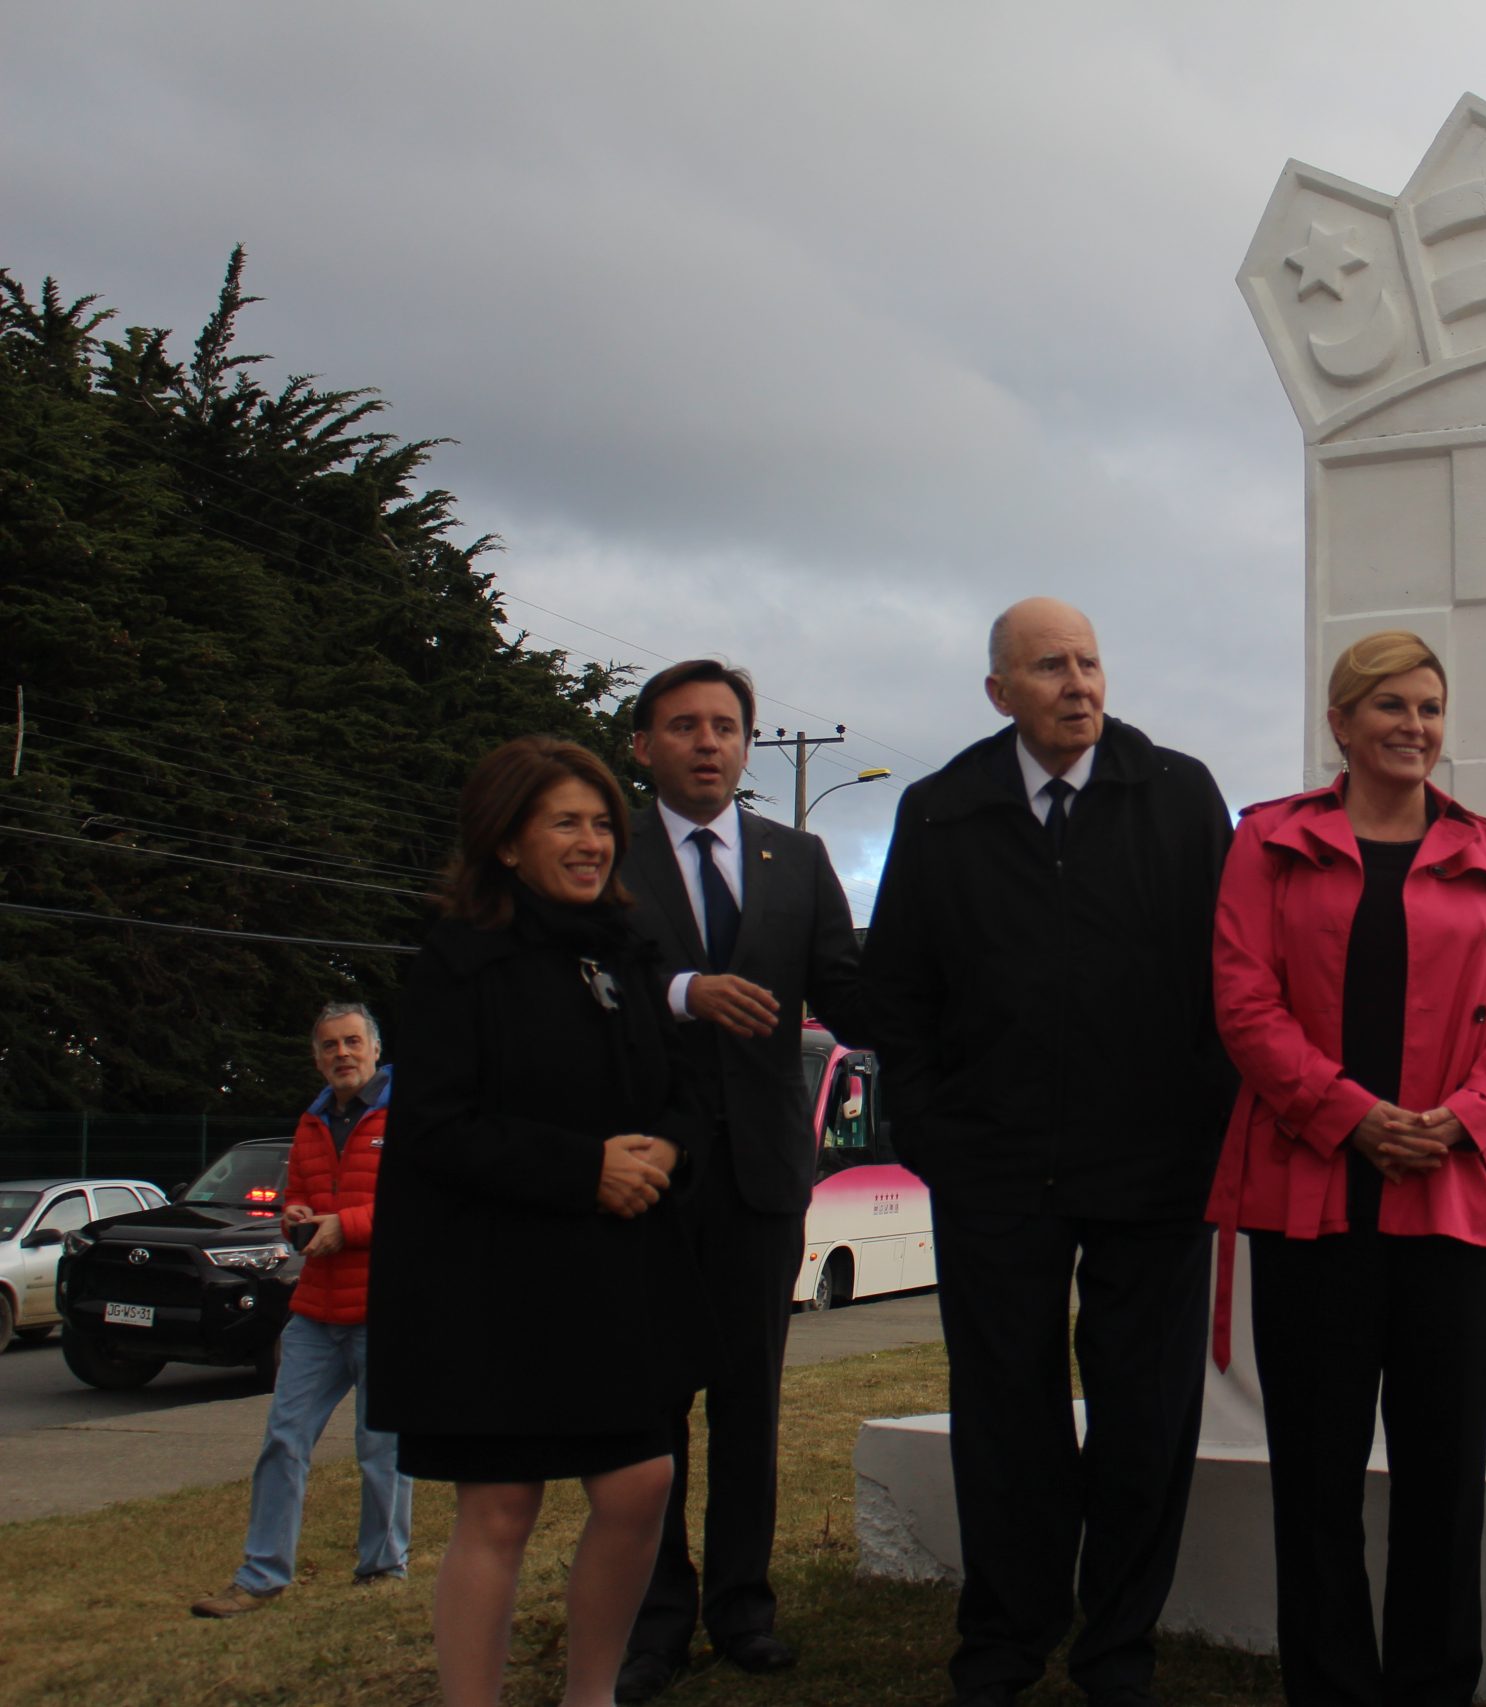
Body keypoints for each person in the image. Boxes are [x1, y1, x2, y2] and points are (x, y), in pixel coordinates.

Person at [861, 597, 1235, 1707]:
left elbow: (1230, 973)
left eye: (1089, 661)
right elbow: (899, 991)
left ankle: (1117, 1651)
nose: (1078, 684)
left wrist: (1207, 1123)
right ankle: (1004, 1642)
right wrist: (932, 1132)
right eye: (1049, 667)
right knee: (1005, 1415)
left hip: (1155, 1171)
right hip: (994, 1170)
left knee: (1144, 1415)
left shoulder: (1178, 793)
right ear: (999, 692)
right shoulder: (940, 811)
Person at [1206, 629, 1486, 1707]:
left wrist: (1464, 1117)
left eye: (1430, 708)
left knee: (1443, 1478)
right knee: (1315, 1478)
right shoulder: (1267, 843)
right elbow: (1243, 1000)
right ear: (1341, 723)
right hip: (1308, 1198)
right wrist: (1350, 1115)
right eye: (1391, 706)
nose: (1415, 726)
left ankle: (1432, 1688)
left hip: (1449, 1200)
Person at [370, 736, 703, 1707]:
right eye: (566, 822)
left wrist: (667, 1149)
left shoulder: (626, 950)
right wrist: (584, 1169)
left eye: (603, 823)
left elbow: (681, 1089)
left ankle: (589, 1696)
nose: (593, 841)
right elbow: (435, 1128)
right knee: (502, 1507)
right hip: (491, 1280)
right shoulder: (459, 960)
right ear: (508, 842)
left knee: (641, 1483)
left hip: (612, 1275)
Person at [614, 660, 866, 1701]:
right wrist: (683, 991)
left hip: (763, 1175)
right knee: (649, 1408)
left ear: (747, 743)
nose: (708, 742)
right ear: (644, 746)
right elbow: (581, 981)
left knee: (749, 1402)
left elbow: (849, 988)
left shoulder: (796, 858)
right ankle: (654, 1619)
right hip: (643, 1175)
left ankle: (743, 1610)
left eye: (725, 725)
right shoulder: (606, 852)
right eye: (684, 725)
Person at [189, 1002, 412, 1617]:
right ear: (317, 1058)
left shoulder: (408, 1116)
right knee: (283, 1441)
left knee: (381, 1450)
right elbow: (298, 1200)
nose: (342, 1054)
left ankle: (382, 1570)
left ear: (375, 1049)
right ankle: (261, 1577)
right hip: (315, 1312)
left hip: (382, 1309)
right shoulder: (311, 1122)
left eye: (352, 1042)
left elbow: (422, 1205)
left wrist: (347, 1226)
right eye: (329, 1046)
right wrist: (296, 1220)